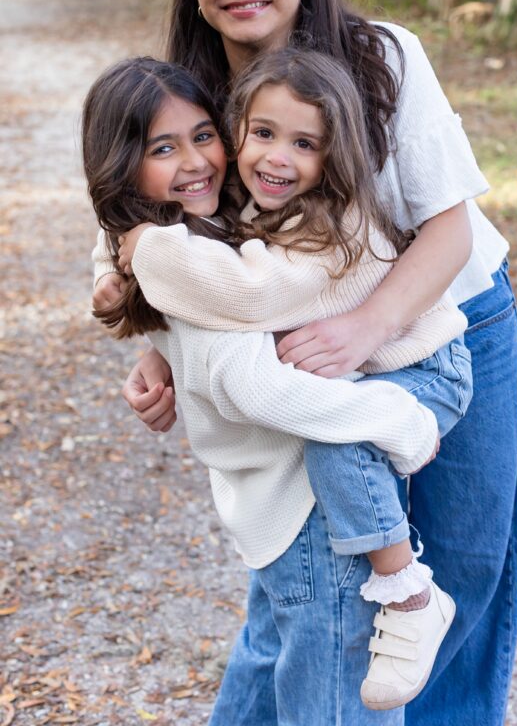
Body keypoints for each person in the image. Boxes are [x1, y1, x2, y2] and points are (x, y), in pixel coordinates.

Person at [94, 0, 517, 726]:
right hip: (298, 352)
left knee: (467, 571)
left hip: (447, 324)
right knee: (316, 583)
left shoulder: (382, 56)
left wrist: (365, 327)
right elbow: (160, 236)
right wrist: (157, 346)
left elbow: (451, 232)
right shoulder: (192, 96)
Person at [86, 51, 474, 717]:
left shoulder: (315, 231)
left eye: (202, 137)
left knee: (324, 686)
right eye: (165, 147)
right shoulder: (223, 209)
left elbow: (247, 327)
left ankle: (408, 591)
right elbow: (124, 235)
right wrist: (118, 276)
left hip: (412, 371)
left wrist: (141, 254)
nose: (197, 162)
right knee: (288, 668)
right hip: (282, 496)